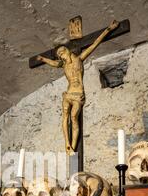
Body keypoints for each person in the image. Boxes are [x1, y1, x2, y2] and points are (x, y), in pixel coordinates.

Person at [37, 19, 119, 155]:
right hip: (68, 94)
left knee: (74, 118)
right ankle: (67, 145)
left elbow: (94, 44)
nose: (61, 54)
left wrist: (108, 29)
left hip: (78, 94)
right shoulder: (63, 65)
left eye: (62, 51)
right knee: (65, 117)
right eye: (59, 54)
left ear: (67, 51)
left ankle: (73, 147)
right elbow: (52, 63)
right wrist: (43, 59)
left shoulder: (79, 59)